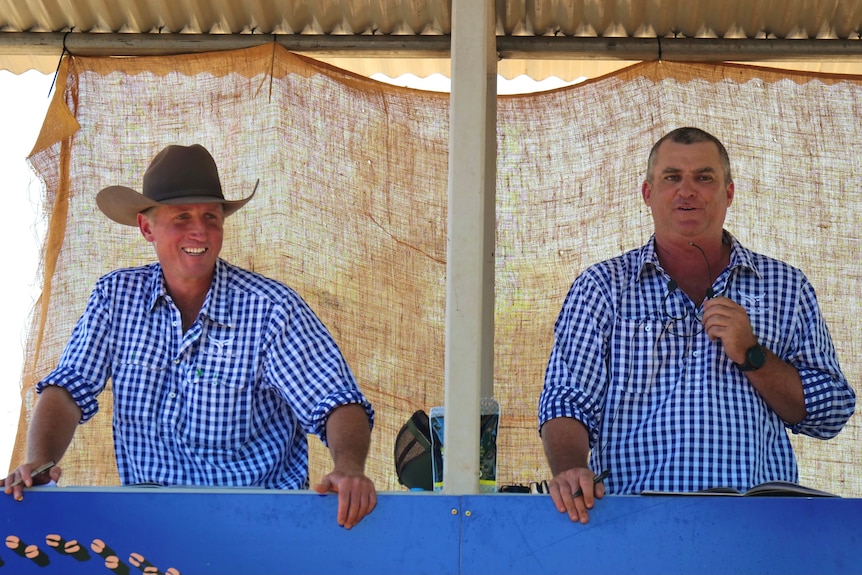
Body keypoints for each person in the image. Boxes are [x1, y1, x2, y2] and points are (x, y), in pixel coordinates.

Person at [4, 144, 377, 529]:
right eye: (182, 217)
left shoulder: (271, 309)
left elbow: (336, 401)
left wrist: (348, 468)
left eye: (211, 217)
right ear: (147, 228)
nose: (200, 231)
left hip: (261, 529)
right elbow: (68, 389)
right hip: (152, 531)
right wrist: (40, 461)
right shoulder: (115, 297)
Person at [538, 127, 856, 524]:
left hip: (757, 527)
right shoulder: (601, 287)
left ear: (728, 193)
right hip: (631, 521)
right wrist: (570, 469)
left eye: (704, 178)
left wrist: (753, 356)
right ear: (648, 194)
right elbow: (567, 399)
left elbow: (831, 413)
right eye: (672, 177)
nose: (687, 191)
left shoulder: (785, 287)